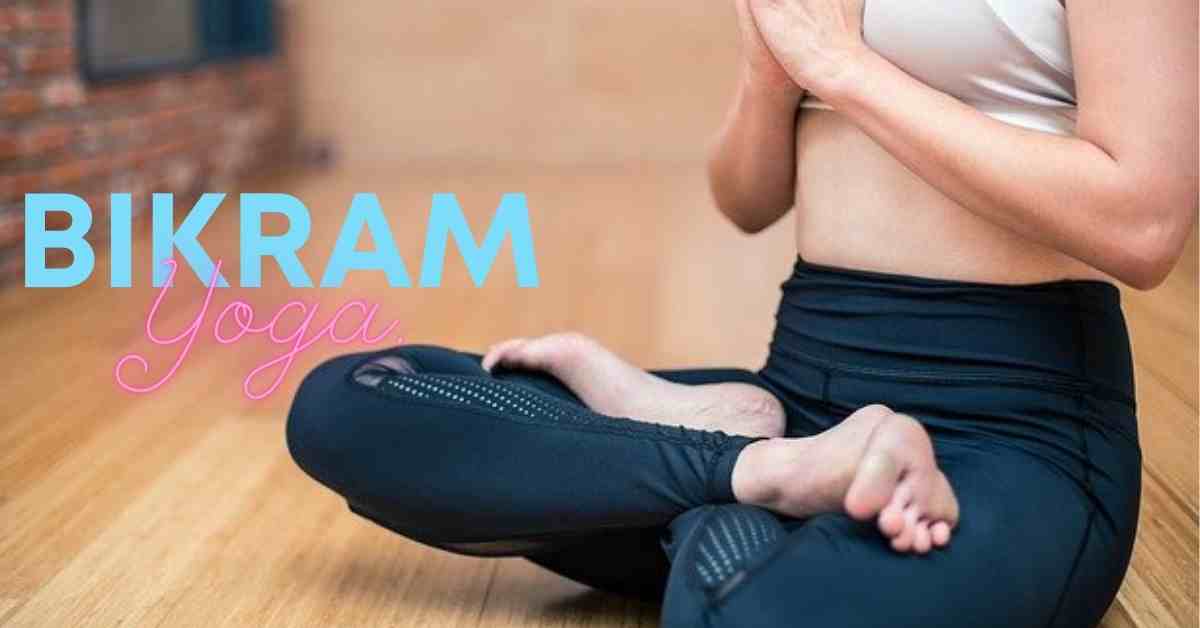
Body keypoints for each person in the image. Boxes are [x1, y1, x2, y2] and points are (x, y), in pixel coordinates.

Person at [286, 1, 1198, 625]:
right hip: (795, 393)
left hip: (1008, 432)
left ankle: (707, 472)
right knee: (353, 399)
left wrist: (843, 68)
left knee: (750, 611)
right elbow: (748, 199)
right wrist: (772, 76)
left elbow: (1144, 220)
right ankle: (767, 468)